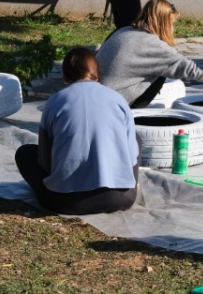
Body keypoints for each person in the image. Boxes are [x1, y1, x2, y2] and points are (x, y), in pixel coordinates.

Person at [15, 47, 140, 215]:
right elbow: (131, 158)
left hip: (64, 201)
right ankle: (127, 185)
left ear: (65, 76)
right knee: (136, 139)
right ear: (97, 74)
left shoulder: (54, 102)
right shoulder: (118, 99)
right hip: (118, 199)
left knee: (25, 153)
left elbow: (45, 163)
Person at [96, 0, 203, 107]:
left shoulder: (123, 30)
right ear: (163, 24)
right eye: (172, 23)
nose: (173, 28)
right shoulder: (154, 46)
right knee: (161, 74)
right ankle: (135, 114)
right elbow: (190, 69)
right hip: (111, 103)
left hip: (93, 94)